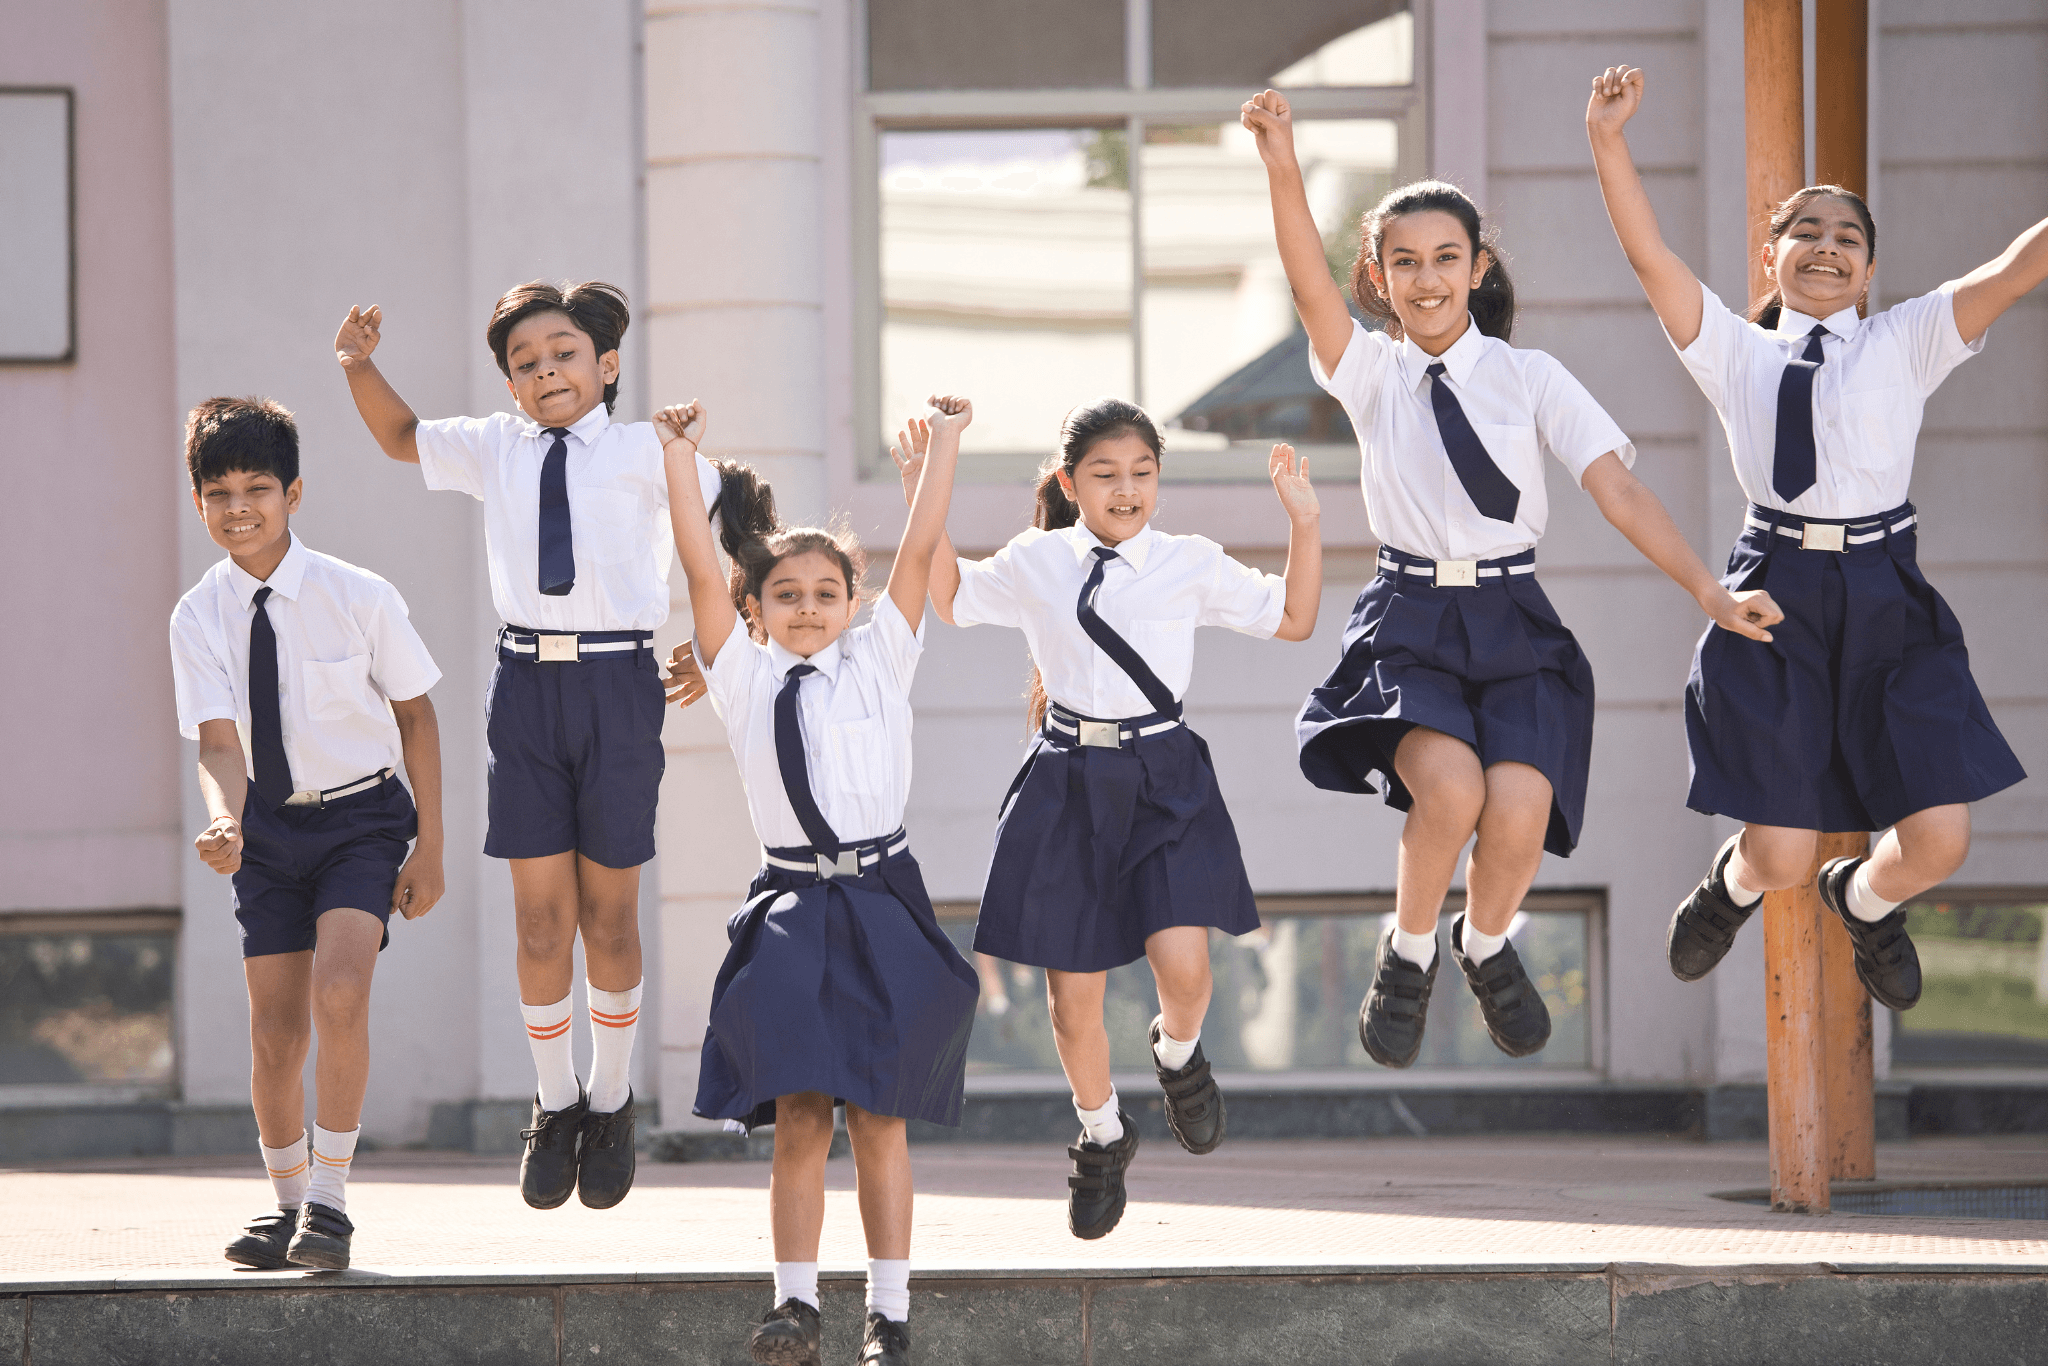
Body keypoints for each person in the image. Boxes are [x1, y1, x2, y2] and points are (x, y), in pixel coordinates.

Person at [1240, 89, 1783, 1069]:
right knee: (1445, 793)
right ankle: (1406, 955)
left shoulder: (1529, 377)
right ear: (1377, 274)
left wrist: (1706, 590)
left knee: (1520, 807)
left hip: (1508, 612)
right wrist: (1280, 156)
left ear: (1475, 266)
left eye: (1444, 257)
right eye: (1401, 261)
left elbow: (1616, 491)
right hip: (1408, 617)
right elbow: (1302, 280)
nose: (1424, 277)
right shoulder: (1367, 373)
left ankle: (1482, 942)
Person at [1587, 66, 2040, 1002]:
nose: (1827, 247)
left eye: (1849, 237)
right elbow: (1649, 256)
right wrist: (1608, 138)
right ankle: (1732, 884)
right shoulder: (1735, 350)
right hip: (1777, 591)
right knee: (1782, 854)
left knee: (1941, 839)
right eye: (1806, 231)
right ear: (1770, 257)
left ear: (1871, 270)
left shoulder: (1908, 339)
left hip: (1887, 591)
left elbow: (2017, 267)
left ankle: (1866, 901)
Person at [334, 283, 720, 1210]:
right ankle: (555, 1101)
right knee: (541, 918)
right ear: (510, 383)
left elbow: (723, 543)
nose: (547, 371)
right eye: (526, 362)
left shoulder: (649, 448)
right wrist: (356, 363)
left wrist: (715, 646)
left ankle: (615, 1096)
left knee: (609, 918)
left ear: (608, 365)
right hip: (527, 690)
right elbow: (399, 436)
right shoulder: (494, 447)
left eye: (565, 353)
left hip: (620, 686)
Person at [915, 395, 1321, 1240]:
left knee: (1187, 972)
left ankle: (1176, 1054)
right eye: (1104, 475)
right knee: (1073, 1004)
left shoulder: (1189, 562)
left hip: (1162, 775)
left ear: (1158, 482)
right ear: (1071, 483)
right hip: (1065, 779)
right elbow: (948, 597)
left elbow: (1293, 618)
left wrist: (1306, 522)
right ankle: (1101, 1135)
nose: (1125, 489)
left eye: (1141, 473)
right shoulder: (1037, 560)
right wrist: (928, 483)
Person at [665, 396, 979, 1366]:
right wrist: (679, 458)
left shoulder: (882, 658)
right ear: (753, 610)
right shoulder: (744, 677)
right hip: (794, 907)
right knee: (799, 1111)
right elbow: (695, 563)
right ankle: (793, 1305)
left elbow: (920, 550)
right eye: (785, 593)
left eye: (825, 591)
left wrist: (943, 451)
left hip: (881, 897)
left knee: (879, 1114)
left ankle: (889, 1312)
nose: (806, 606)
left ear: (853, 600)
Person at [171, 397, 444, 1272]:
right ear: (198, 501)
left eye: (258, 487)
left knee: (340, 990)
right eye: (219, 492)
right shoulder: (196, 616)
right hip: (264, 831)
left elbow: (418, 717)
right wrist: (222, 817)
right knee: (276, 1032)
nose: (239, 506)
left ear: (295, 493)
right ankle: (285, 1204)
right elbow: (219, 742)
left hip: (362, 821)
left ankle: (329, 1203)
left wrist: (429, 847)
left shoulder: (356, 596)